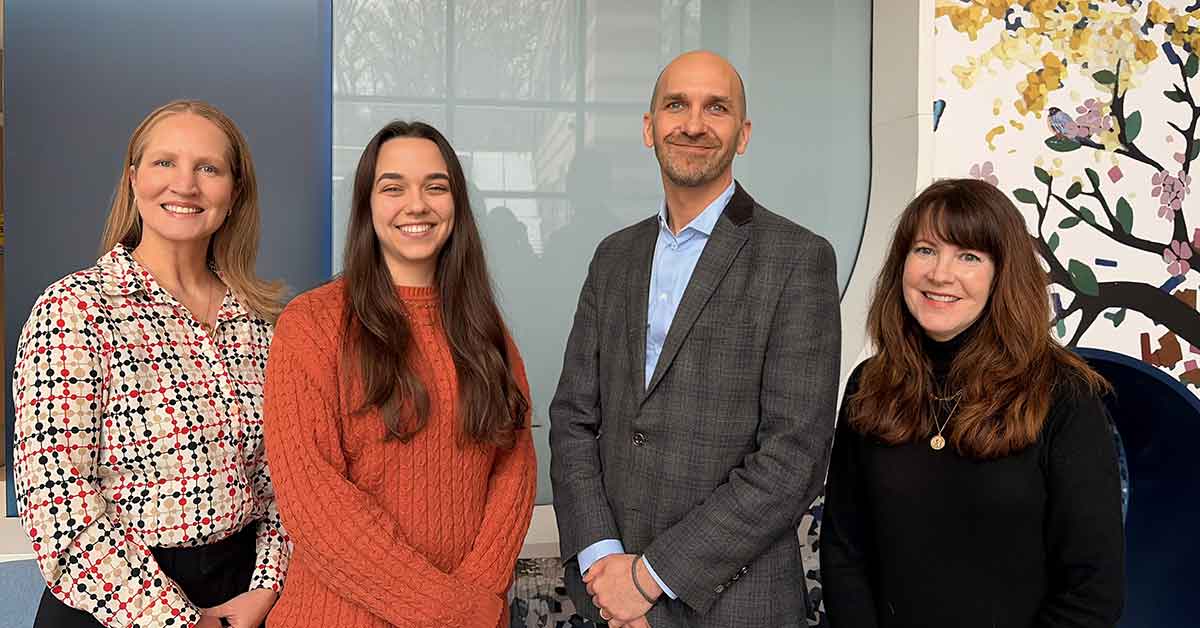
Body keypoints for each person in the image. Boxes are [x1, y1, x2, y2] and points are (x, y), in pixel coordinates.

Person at [549, 50, 841, 628]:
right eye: (676, 105)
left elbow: (793, 458)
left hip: (737, 606)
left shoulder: (798, 259)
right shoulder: (614, 258)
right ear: (649, 127)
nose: (693, 124)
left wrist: (647, 578)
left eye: (717, 108)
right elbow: (573, 419)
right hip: (610, 601)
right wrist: (605, 564)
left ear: (743, 134)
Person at [12, 99, 289, 628]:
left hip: (244, 599)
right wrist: (182, 622)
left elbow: (284, 484)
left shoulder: (261, 324)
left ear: (235, 193)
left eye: (208, 168)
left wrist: (266, 587)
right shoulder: (74, 309)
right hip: (114, 604)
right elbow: (58, 503)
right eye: (165, 162)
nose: (185, 185)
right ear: (134, 179)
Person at [261, 120, 536, 628]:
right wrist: (450, 612)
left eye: (436, 187)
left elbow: (514, 471)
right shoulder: (311, 325)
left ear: (457, 205)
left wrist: (474, 601)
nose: (417, 205)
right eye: (393, 188)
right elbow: (315, 506)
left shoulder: (485, 328)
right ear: (367, 205)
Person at [820, 178, 1125, 628]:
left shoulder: (1064, 394)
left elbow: (1092, 592)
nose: (940, 274)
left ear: (1003, 275)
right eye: (925, 250)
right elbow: (844, 551)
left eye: (968, 256)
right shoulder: (870, 384)